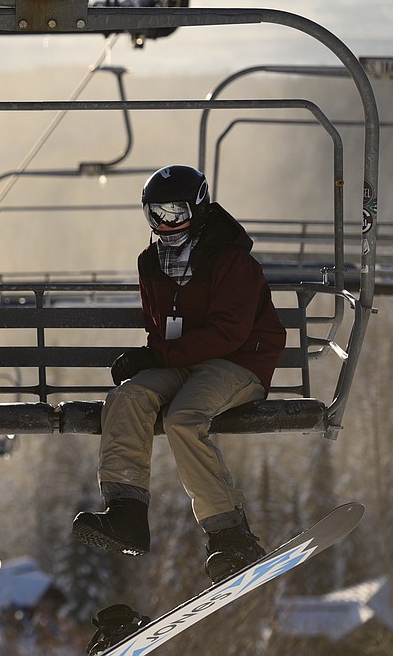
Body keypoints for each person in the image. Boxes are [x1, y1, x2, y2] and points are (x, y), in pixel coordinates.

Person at [72, 165, 286, 584]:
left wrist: (157, 356)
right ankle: (127, 514)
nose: (167, 224)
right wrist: (150, 359)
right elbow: (161, 325)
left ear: (199, 208)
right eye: (157, 214)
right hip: (182, 360)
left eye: (176, 212)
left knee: (184, 419)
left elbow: (229, 331)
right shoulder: (151, 262)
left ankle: (229, 533)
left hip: (239, 362)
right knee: (126, 398)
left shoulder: (230, 258)